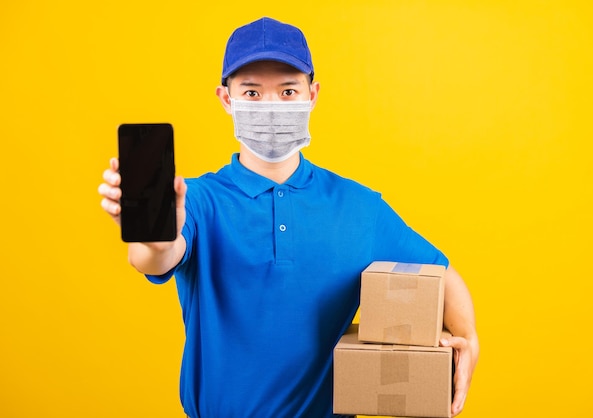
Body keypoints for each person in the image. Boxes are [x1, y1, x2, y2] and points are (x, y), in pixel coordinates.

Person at [98, 17, 479, 418]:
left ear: (312, 95)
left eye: (288, 90)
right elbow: (154, 257)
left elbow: (440, 272)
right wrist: (154, 238)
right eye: (252, 92)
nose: (271, 106)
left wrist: (468, 336)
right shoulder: (197, 200)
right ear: (226, 99)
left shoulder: (358, 206)